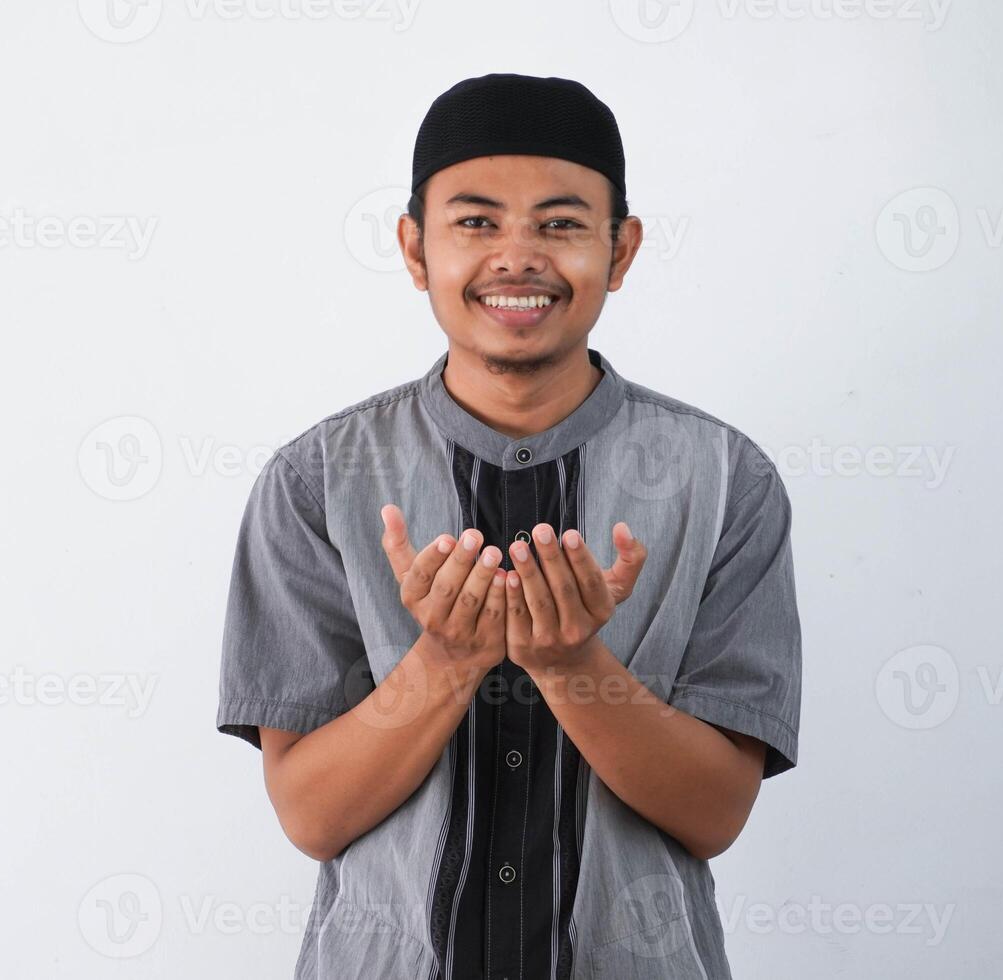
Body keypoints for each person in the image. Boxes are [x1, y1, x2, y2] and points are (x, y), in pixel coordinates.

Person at [216, 72, 803, 980]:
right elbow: (310, 816)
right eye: (476, 222)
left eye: (562, 224)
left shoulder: (726, 480)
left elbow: (715, 813)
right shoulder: (316, 481)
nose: (517, 256)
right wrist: (444, 660)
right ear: (415, 249)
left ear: (621, 251)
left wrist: (573, 666)